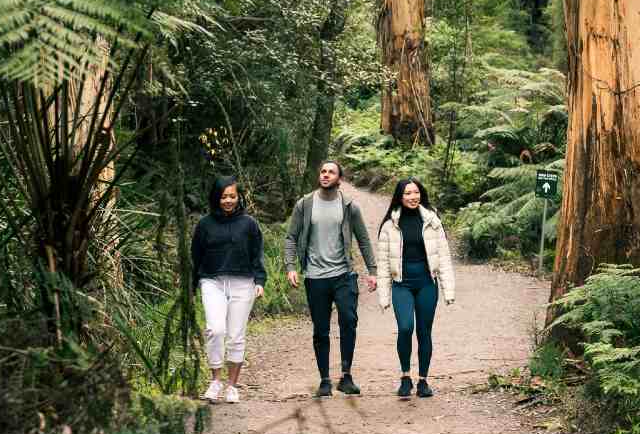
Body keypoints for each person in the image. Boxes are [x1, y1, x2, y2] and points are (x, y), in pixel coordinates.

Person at [283, 160, 378, 398]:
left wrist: (372, 270)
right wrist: (290, 266)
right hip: (315, 276)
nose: (325, 175)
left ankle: (346, 376)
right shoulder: (304, 205)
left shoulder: (349, 207)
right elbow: (291, 237)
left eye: (331, 172)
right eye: (323, 171)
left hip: (343, 274)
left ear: (339, 179)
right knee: (321, 329)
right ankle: (324, 379)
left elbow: (364, 239)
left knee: (348, 320)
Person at [375, 177, 456, 399]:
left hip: (427, 284)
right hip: (402, 284)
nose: (413, 197)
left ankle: (423, 380)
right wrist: (384, 295)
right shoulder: (390, 225)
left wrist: (449, 289)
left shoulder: (432, 221)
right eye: (408, 193)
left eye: (416, 192)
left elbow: (444, 256)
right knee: (405, 328)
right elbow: (382, 264)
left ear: (421, 194)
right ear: (400, 197)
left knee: (424, 331)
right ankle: (404, 376)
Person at [191, 176, 266, 404]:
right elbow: (196, 256)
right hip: (212, 281)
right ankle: (215, 380)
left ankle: (232, 386)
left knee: (236, 336)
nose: (228, 200)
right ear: (216, 198)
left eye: (232, 196)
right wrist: (192, 285)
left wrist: (260, 280)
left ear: (238, 197)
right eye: (224, 196)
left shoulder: (249, 224)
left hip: (243, 282)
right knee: (215, 329)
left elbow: (257, 254)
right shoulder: (204, 225)